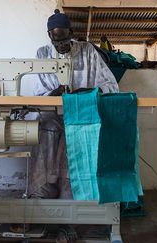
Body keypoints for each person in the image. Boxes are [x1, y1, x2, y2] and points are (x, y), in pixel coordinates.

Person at [28, 9, 119, 200]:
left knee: (75, 150)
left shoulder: (87, 51)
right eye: (56, 41)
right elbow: (38, 92)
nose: (60, 45)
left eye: (64, 40)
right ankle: (41, 197)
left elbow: (110, 85)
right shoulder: (43, 53)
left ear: (71, 34)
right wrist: (55, 93)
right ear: (49, 36)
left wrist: (86, 92)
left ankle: (69, 202)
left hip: (81, 115)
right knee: (45, 132)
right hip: (52, 116)